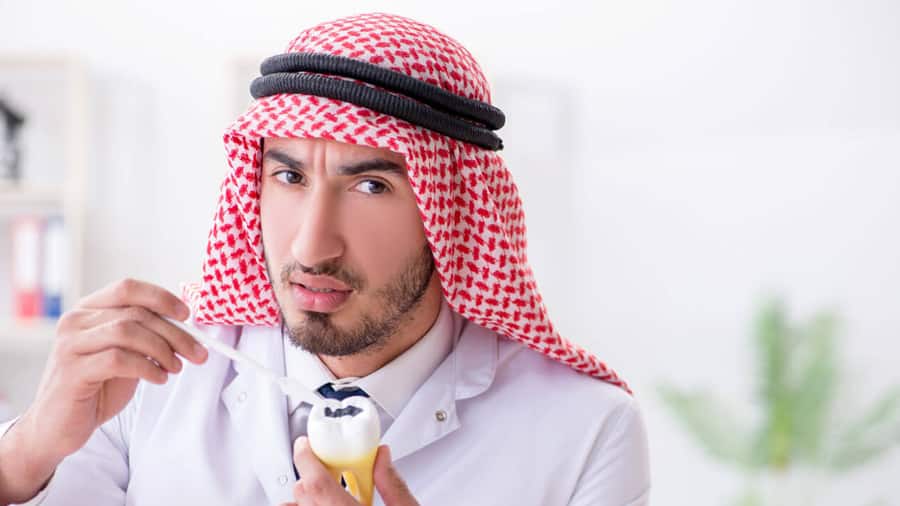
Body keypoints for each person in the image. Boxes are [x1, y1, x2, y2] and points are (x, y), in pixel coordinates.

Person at [0, 13, 650, 506]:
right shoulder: (151, 383)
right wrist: (25, 455)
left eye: (371, 186)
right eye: (288, 178)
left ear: (449, 207)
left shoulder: (586, 431)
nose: (311, 247)